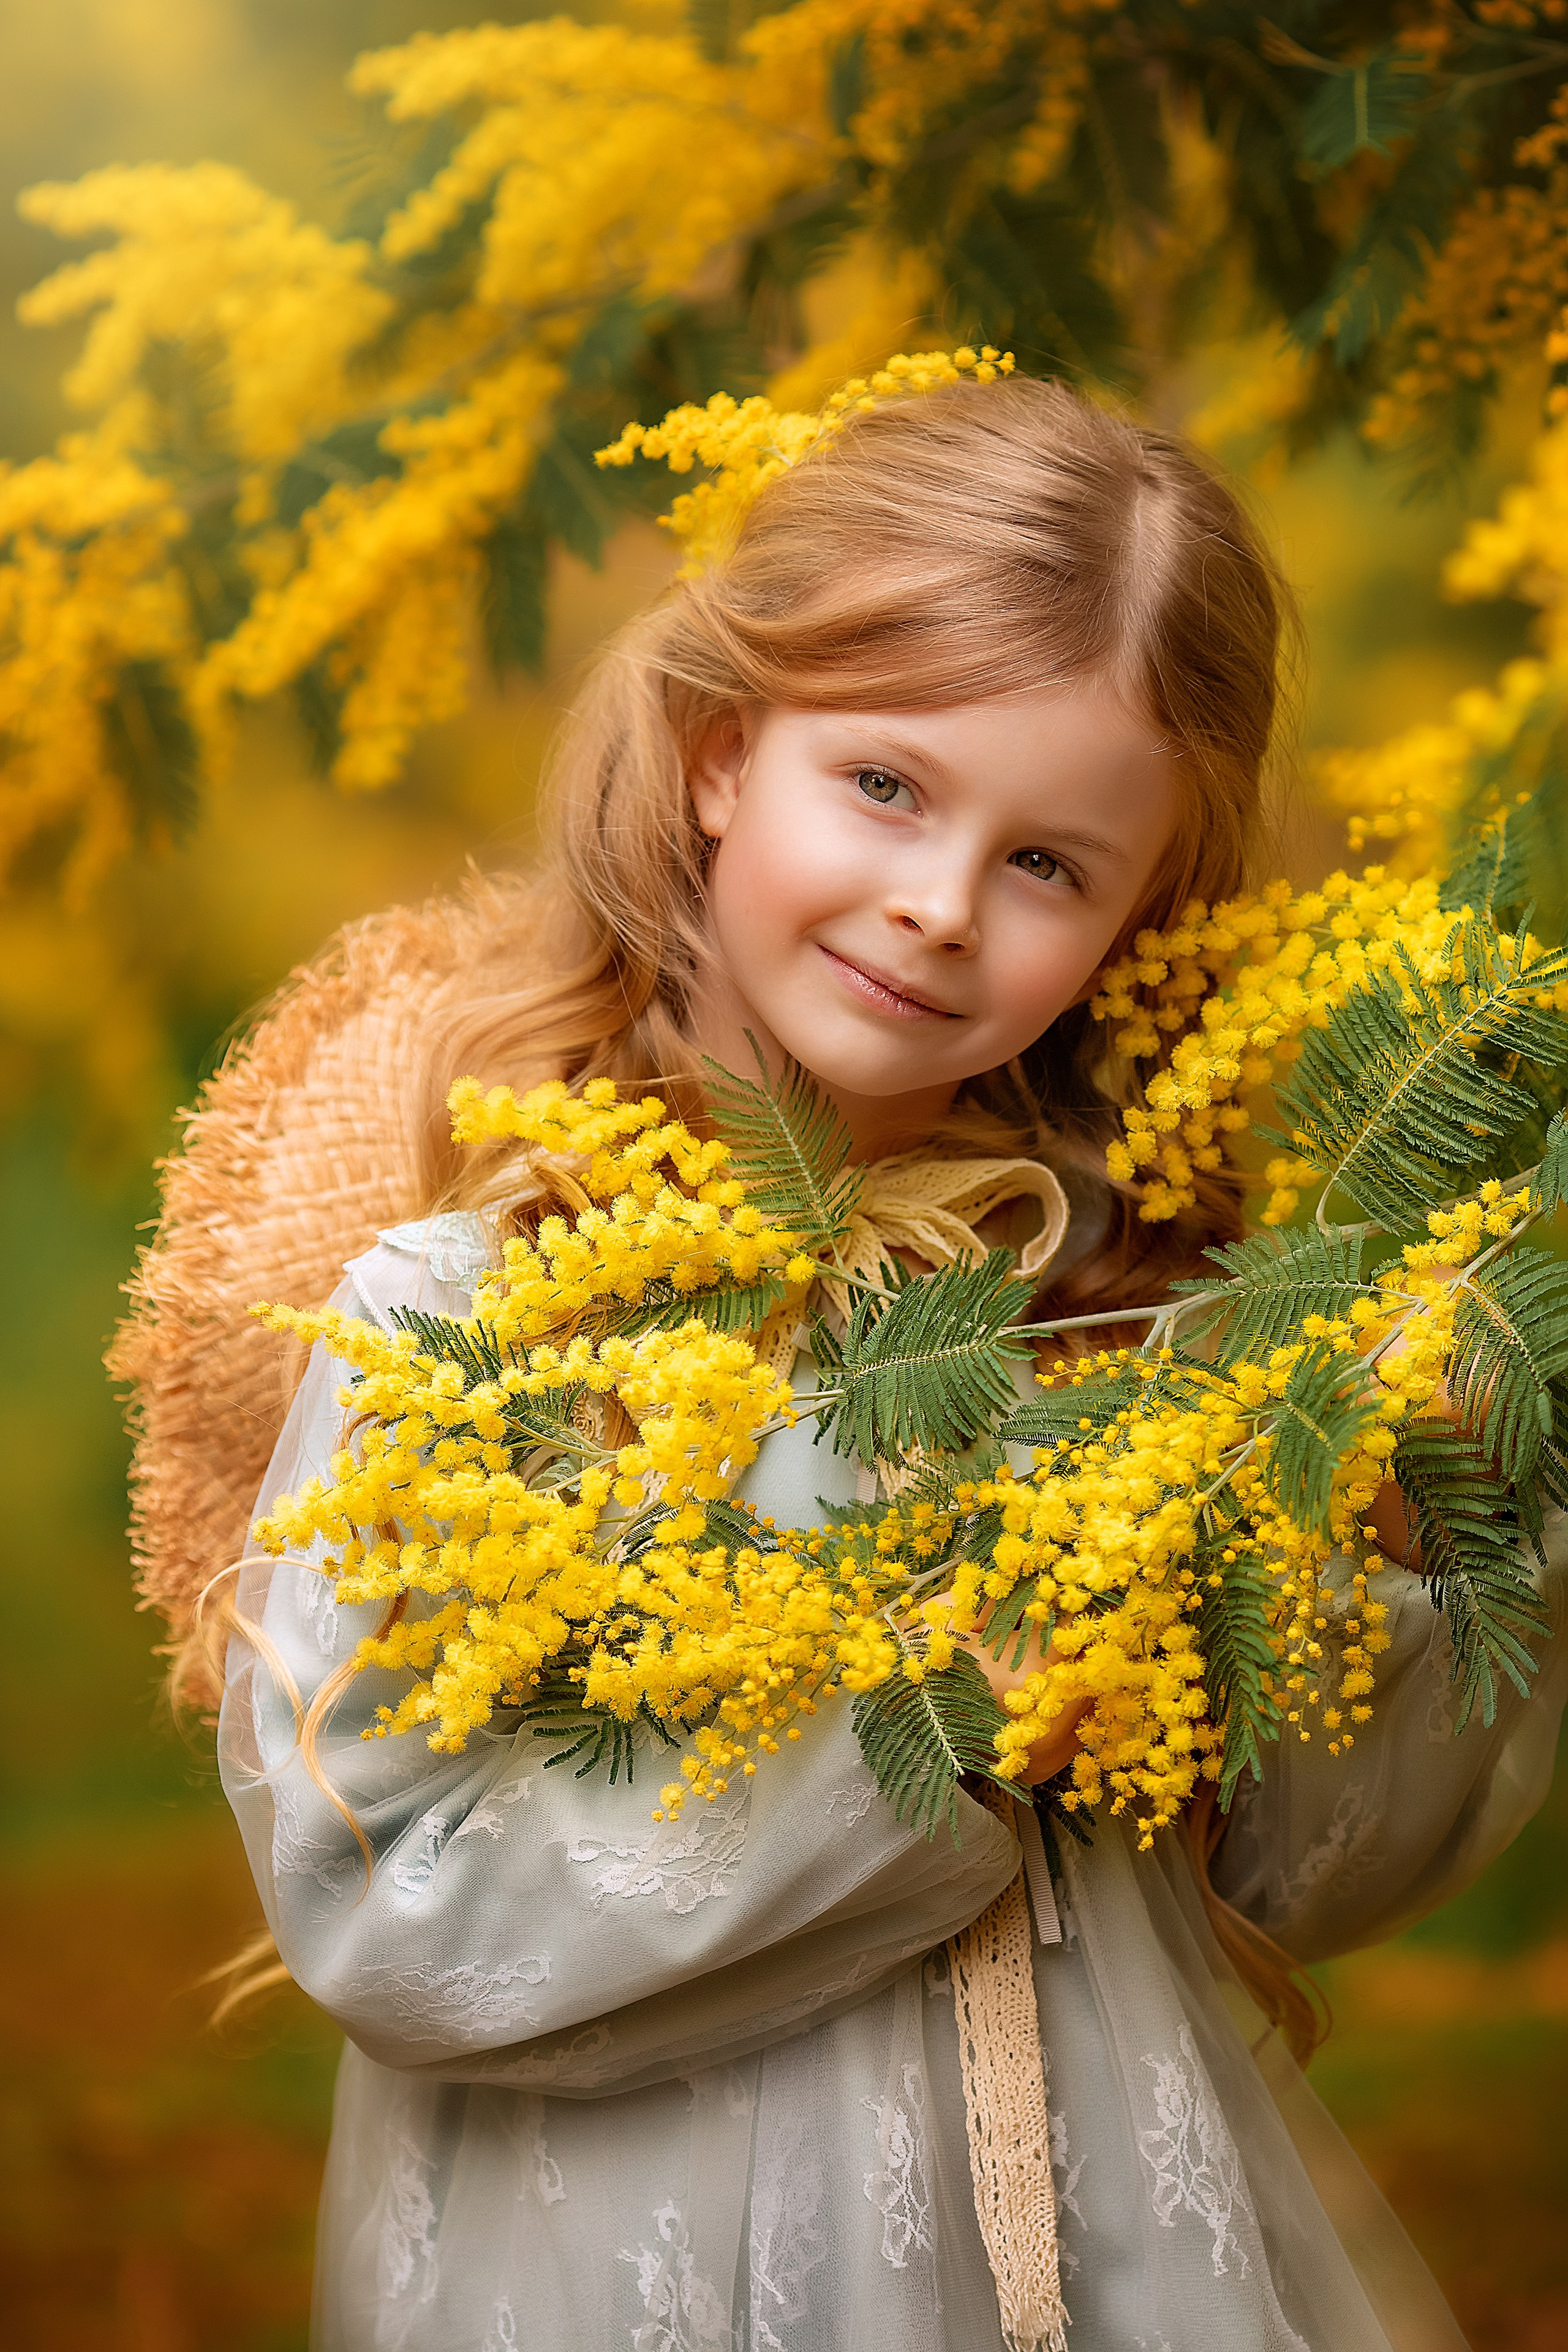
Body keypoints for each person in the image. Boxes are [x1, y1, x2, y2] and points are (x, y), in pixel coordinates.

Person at [212, 375, 1567, 2351]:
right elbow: (393, 1911)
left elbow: (1298, 1856)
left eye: (1051, 866)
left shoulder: (1125, 1327)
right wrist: (942, 1735)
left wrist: (1421, 1506)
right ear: (715, 755)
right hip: (632, 2262)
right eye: (887, 786)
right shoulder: (475, 1324)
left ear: (1134, 924)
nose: (941, 903)